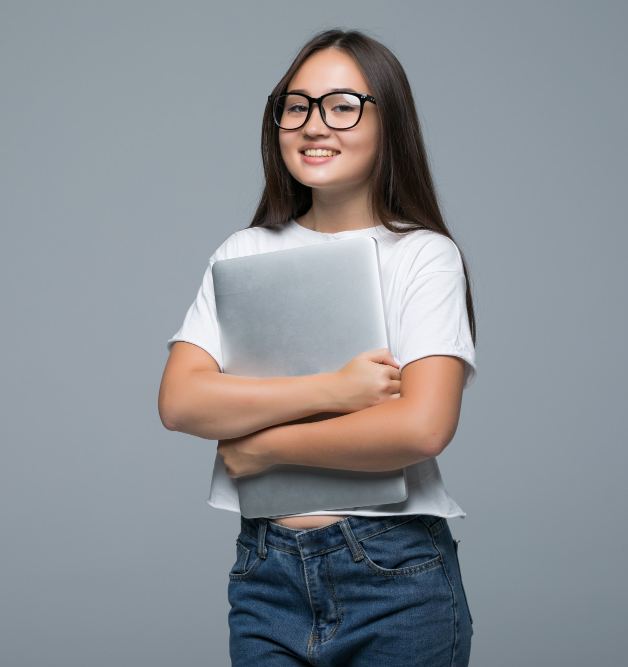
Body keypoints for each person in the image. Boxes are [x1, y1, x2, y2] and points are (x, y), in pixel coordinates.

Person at [157, 29, 476, 666]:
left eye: (341, 105)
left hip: (394, 573)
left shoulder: (424, 256)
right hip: (266, 572)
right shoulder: (242, 251)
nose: (312, 125)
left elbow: (421, 427)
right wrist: (336, 391)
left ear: (390, 122)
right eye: (295, 106)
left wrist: (263, 446)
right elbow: (181, 401)